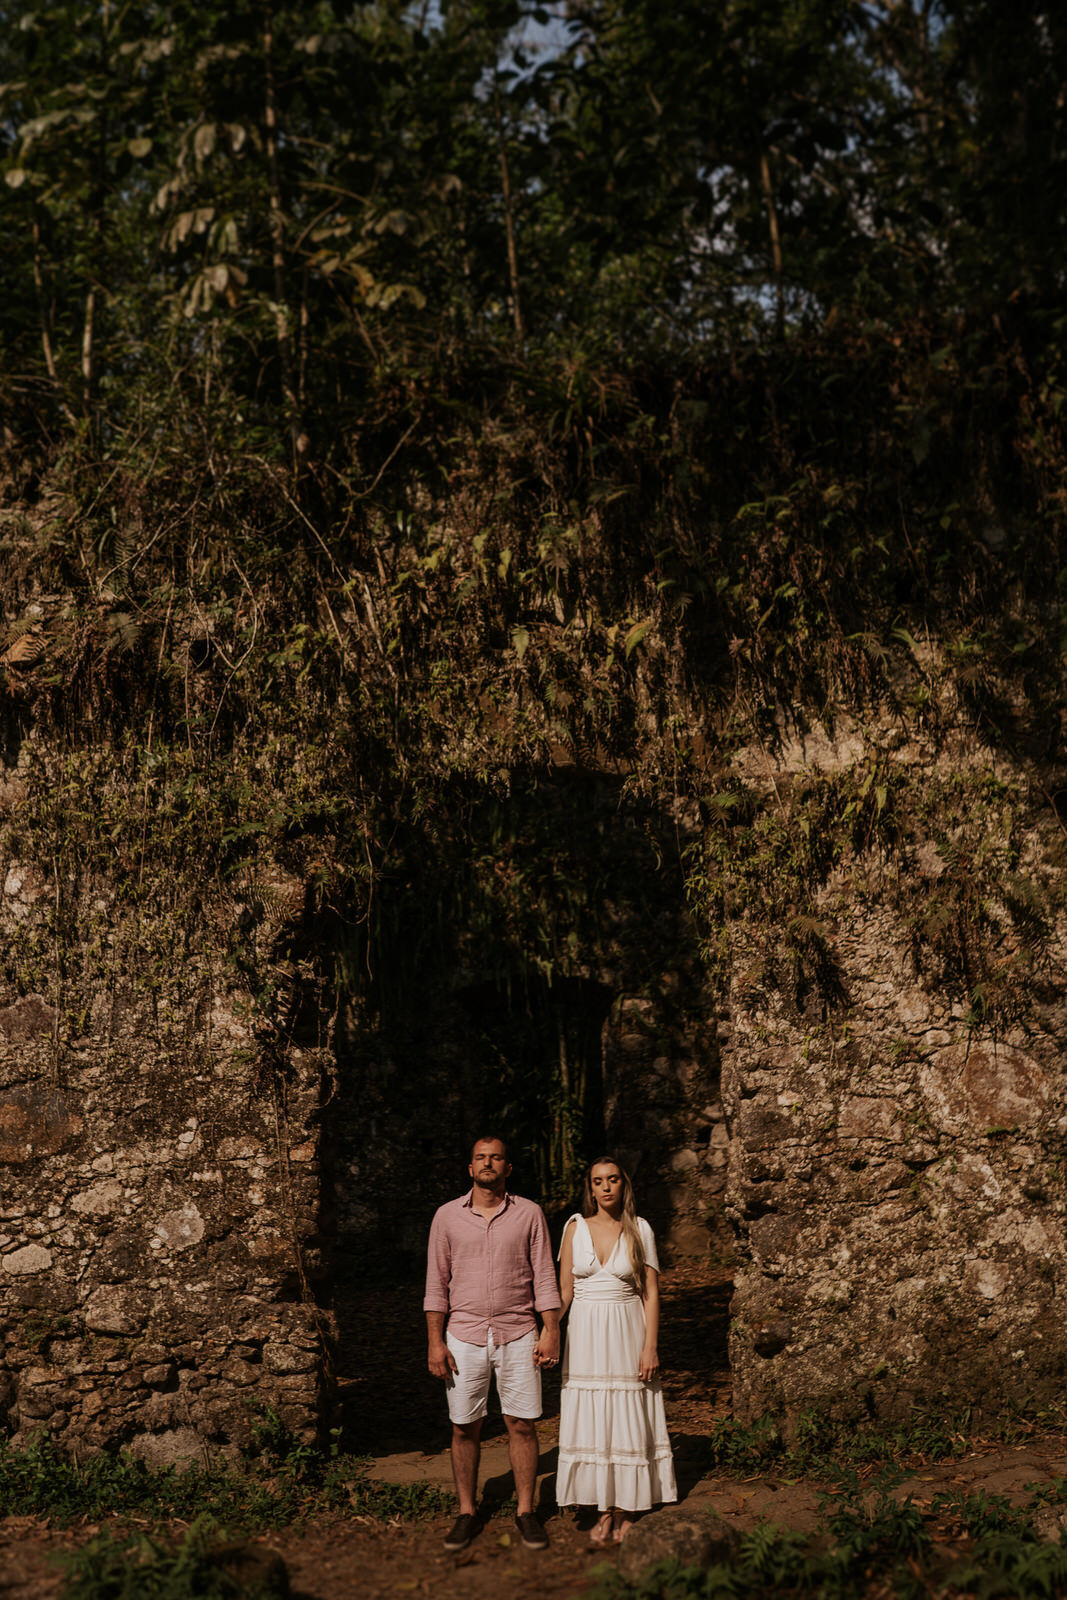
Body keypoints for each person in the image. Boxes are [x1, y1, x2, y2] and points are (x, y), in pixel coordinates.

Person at [424, 1135, 562, 1554]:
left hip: (519, 1331)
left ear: (508, 1168)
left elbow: (544, 1276)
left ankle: (525, 1511)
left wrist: (551, 1328)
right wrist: (435, 1341)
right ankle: (467, 1512)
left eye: (496, 1157)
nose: (488, 1163)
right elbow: (436, 1284)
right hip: (463, 1334)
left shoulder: (529, 1214)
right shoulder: (446, 1217)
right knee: (465, 1426)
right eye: (480, 1158)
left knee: (521, 1423)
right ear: (470, 1168)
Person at [556, 1156, 677, 1544]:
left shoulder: (640, 1229)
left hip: (627, 1330)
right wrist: (547, 1330)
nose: (605, 1187)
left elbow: (652, 1293)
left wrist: (651, 1347)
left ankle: (626, 1509)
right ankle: (603, 1510)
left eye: (612, 1180)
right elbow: (564, 1291)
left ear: (623, 1184)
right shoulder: (574, 1227)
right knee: (594, 1418)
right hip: (586, 1333)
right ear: (590, 1188)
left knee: (627, 1414)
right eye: (597, 1181)